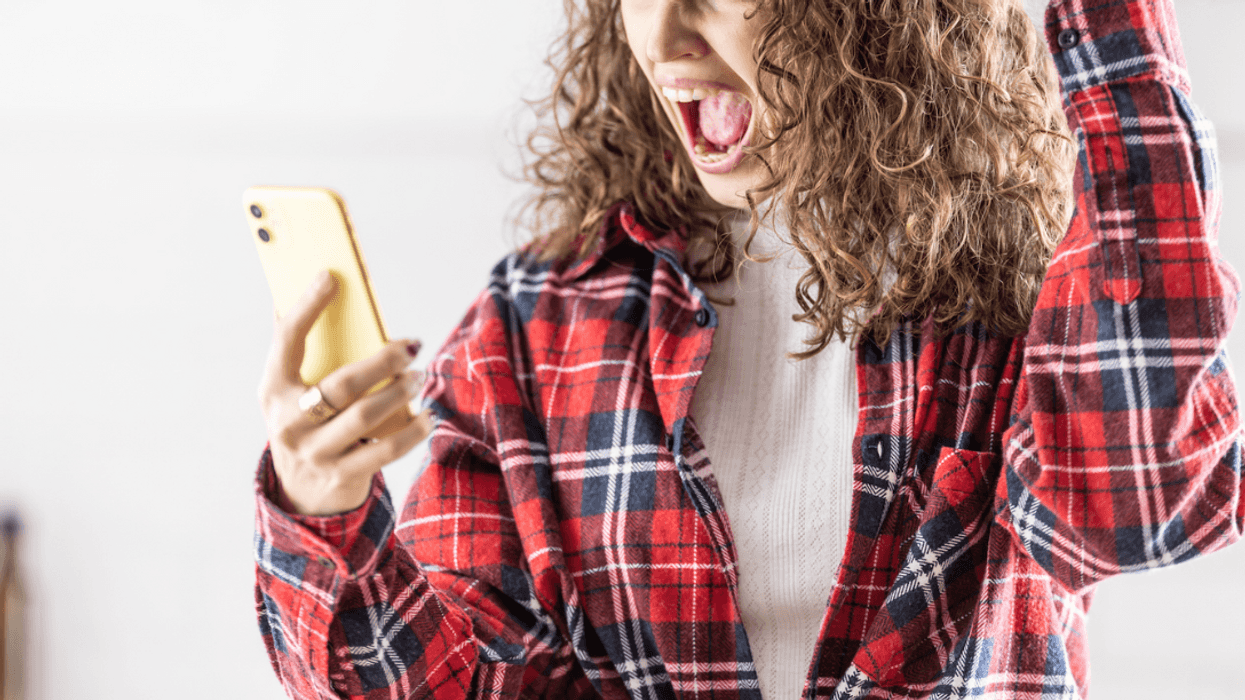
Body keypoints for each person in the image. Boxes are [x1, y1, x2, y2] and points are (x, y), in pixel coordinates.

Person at [251, 0, 1241, 697]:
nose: (666, 34)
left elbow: (1148, 501)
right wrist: (324, 510)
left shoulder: (1022, 289)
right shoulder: (538, 326)